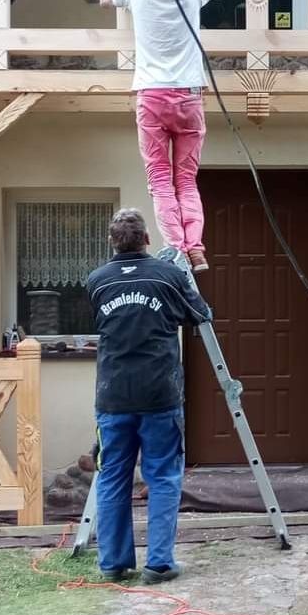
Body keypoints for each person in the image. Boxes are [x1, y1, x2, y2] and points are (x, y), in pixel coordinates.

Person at [100, 0, 246, 274]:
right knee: (186, 178)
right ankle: (195, 249)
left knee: (160, 180)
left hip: (151, 96)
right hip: (188, 96)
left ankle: (176, 247)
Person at [87, 208, 211, 582]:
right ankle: (159, 563)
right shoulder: (168, 276)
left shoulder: (97, 281)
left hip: (113, 398)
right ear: (146, 240)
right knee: (162, 477)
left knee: (112, 478)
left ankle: (113, 563)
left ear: (112, 242)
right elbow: (200, 314)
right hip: (160, 396)